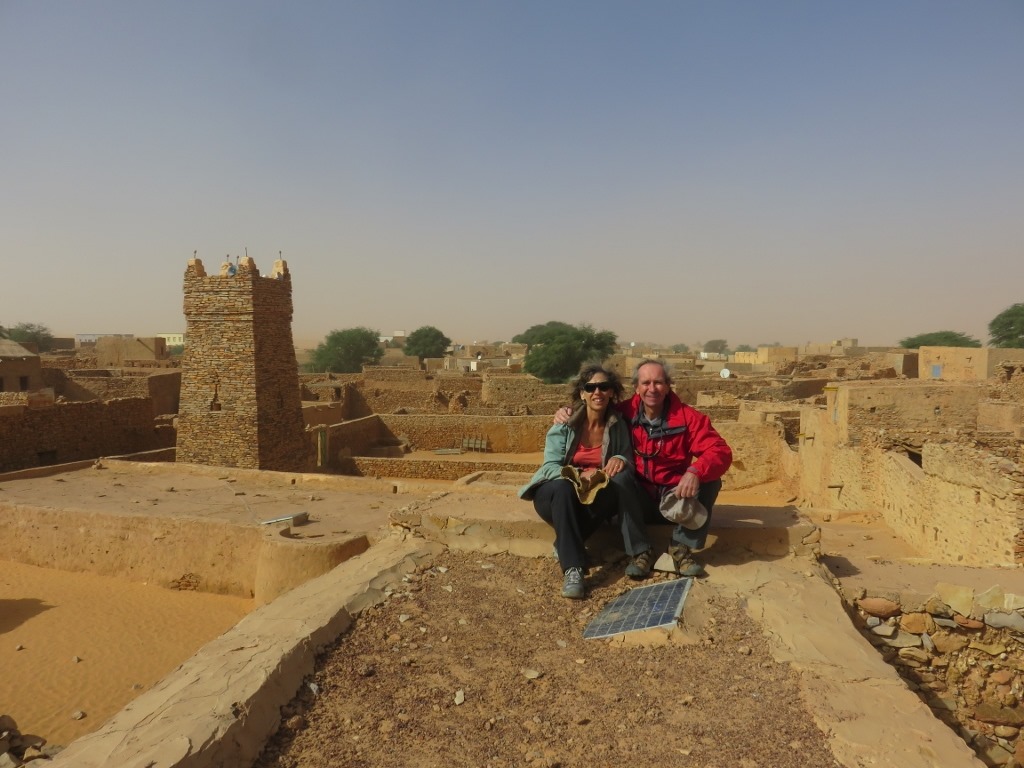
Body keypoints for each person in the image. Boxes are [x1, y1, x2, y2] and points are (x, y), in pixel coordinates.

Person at [556, 358, 732, 578]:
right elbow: (594, 407)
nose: (652, 389)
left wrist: (695, 471)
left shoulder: (687, 418)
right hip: (637, 503)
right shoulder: (623, 413)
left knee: (710, 480)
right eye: (646, 383)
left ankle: (681, 548)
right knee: (619, 476)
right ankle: (640, 551)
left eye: (658, 382)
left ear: (667, 386)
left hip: (676, 500)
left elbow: (720, 451)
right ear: (636, 388)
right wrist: (568, 411)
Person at [519, 364, 633, 600]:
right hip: (555, 495)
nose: (597, 392)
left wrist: (620, 459)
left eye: (604, 387)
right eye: (590, 388)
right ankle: (574, 569)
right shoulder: (565, 423)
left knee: (616, 488)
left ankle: (565, 543)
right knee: (564, 487)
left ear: (612, 391)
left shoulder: (618, 425)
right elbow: (550, 466)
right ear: (582, 393)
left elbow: (627, 456)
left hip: (591, 497)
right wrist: (578, 475)